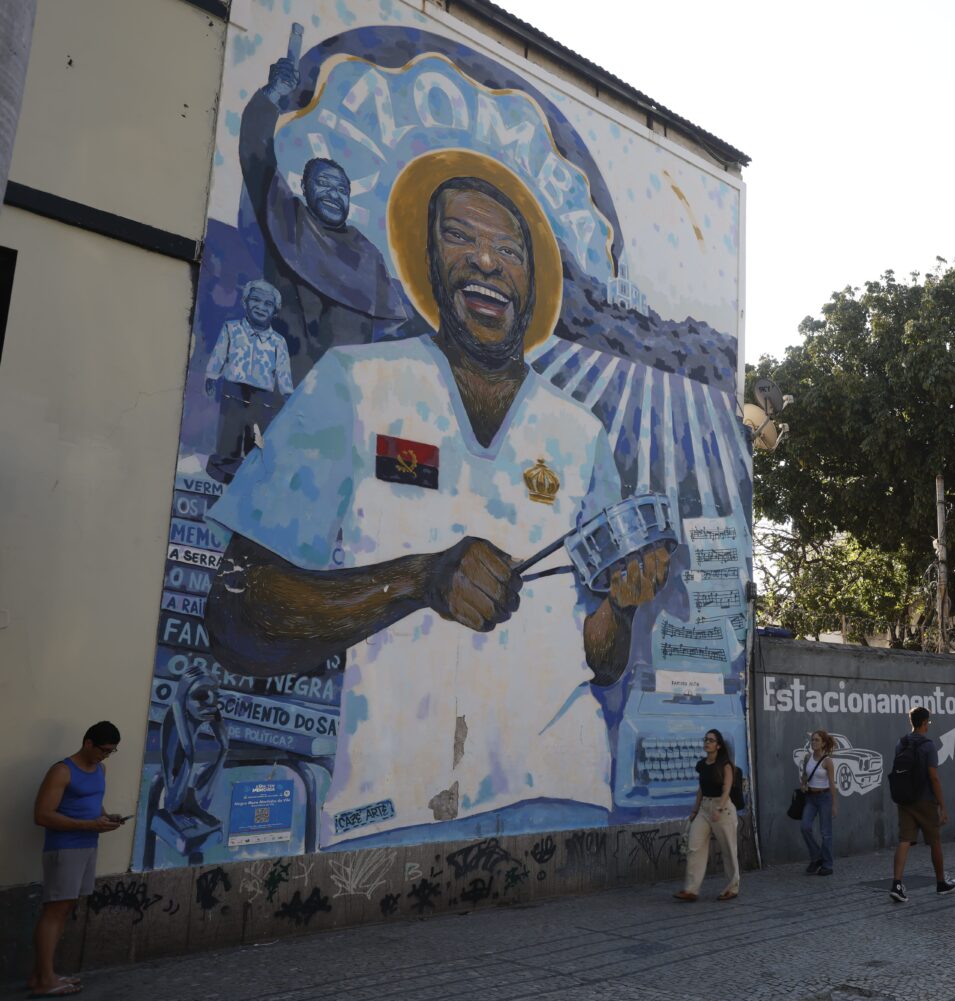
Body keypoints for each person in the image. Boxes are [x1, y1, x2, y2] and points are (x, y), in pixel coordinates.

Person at [206, 155, 671, 844]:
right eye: (461, 237)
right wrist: (417, 579)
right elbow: (236, 613)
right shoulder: (356, 385)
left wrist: (619, 609)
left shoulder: (580, 434)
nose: (487, 261)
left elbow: (599, 658)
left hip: (563, 794)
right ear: (428, 260)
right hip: (391, 808)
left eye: (510, 250)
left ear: (532, 281)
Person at [239, 45, 407, 387]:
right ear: (304, 189)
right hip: (284, 381)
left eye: (341, 189)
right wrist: (273, 95)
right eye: (324, 185)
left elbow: (391, 333)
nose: (334, 194)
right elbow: (256, 154)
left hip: (344, 392)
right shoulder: (288, 218)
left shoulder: (367, 254)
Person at [29, 722, 124, 998]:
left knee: (64, 909)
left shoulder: (100, 769)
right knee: (54, 911)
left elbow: (93, 805)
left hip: (88, 845)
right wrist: (87, 825)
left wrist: (107, 819)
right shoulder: (62, 770)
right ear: (88, 743)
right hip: (64, 847)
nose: (105, 756)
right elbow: (42, 815)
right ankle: (45, 979)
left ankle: (42, 976)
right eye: (103, 750)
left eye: (111, 752)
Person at [204, 280, 294, 482]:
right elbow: (220, 354)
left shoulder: (278, 342)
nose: (261, 307)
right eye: (255, 300)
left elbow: (283, 371)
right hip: (233, 388)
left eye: (268, 304)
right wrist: (211, 375)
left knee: (256, 431)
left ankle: (253, 468)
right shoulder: (231, 329)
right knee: (231, 426)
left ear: (275, 311)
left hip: (262, 395)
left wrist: (287, 392)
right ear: (245, 302)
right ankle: (226, 462)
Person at [890, 707, 955, 902]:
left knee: (904, 840)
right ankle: (941, 883)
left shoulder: (900, 743)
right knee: (934, 841)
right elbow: (934, 778)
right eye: (928, 722)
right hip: (925, 800)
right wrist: (942, 806)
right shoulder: (928, 746)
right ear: (924, 723)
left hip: (904, 799)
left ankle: (896, 884)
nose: (928, 725)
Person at [675, 729, 739, 902]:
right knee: (694, 847)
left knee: (728, 850)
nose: (707, 743)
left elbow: (727, 788)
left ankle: (732, 887)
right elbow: (701, 789)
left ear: (718, 745)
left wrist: (718, 809)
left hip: (722, 808)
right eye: (705, 739)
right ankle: (691, 890)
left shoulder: (725, 764)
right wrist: (695, 811)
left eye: (711, 740)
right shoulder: (702, 765)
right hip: (704, 808)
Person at [797, 730, 838, 876]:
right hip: (811, 798)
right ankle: (816, 856)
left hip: (824, 797)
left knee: (825, 833)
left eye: (817, 740)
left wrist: (834, 804)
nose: (813, 743)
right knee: (805, 827)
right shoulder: (808, 757)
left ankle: (827, 864)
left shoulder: (828, 761)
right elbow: (804, 776)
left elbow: (832, 784)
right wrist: (803, 784)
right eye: (812, 740)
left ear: (823, 743)